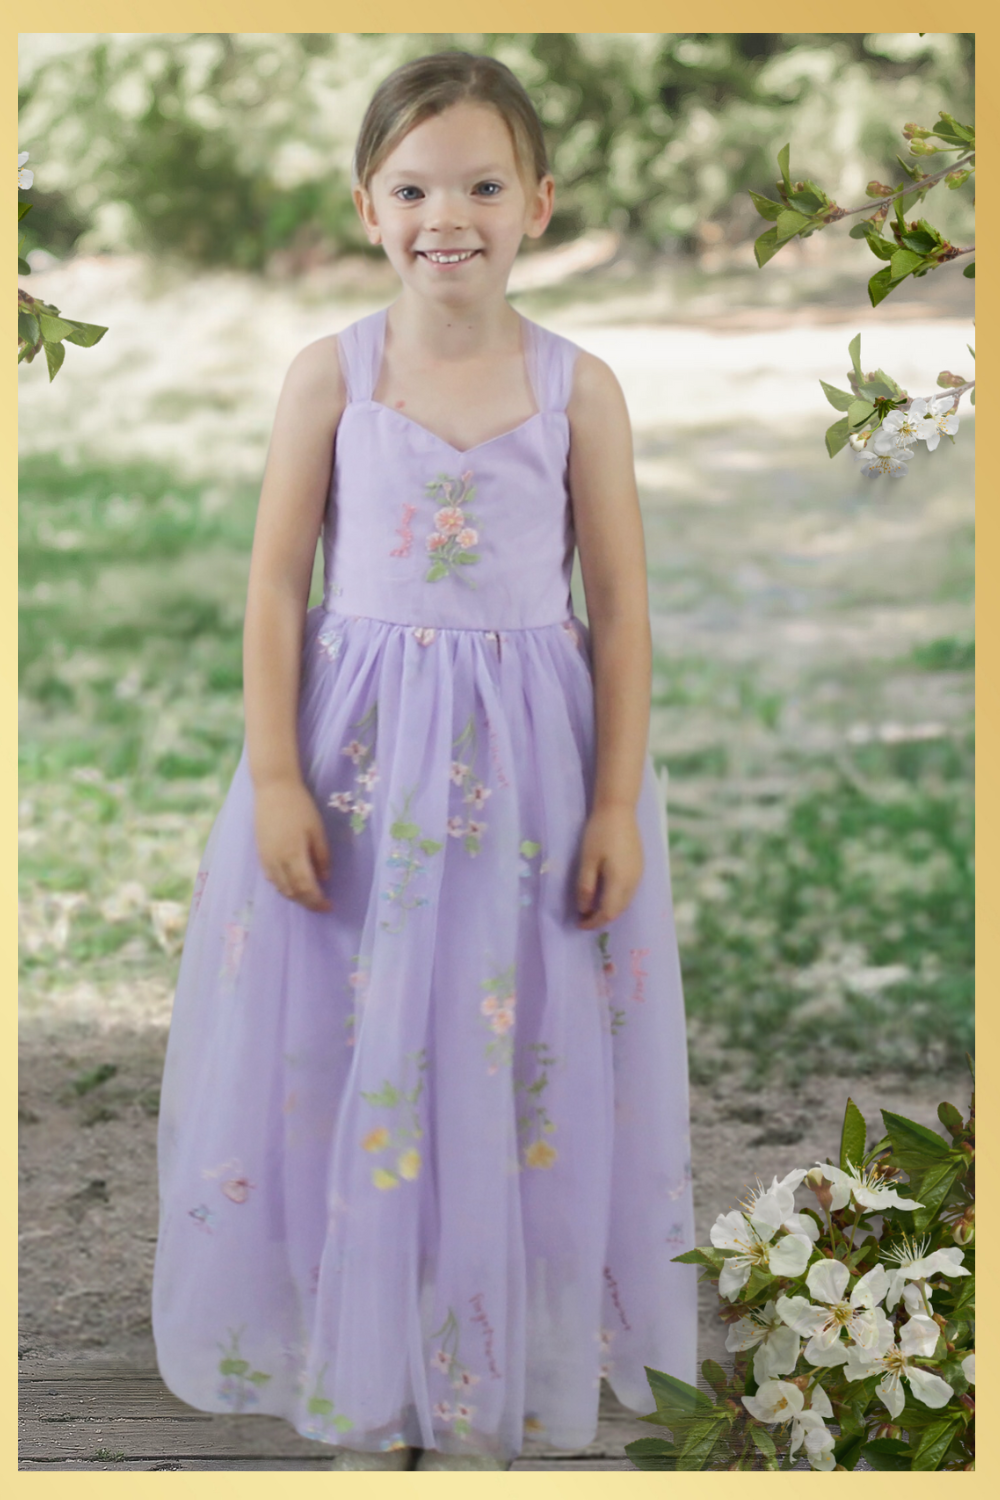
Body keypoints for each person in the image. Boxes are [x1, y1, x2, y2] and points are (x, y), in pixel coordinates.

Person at [152, 49, 696, 1472]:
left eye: (481, 184)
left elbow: (622, 606)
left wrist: (620, 800)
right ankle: (363, 1360)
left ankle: (492, 1361)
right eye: (413, 186)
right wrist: (275, 776)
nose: (445, 214)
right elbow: (277, 587)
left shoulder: (581, 390)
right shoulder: (330, 375)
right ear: (367, 203)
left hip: (530, 780)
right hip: (358, 772)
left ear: (539, 203)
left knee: (508, 1051)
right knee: (351, 1043)